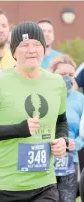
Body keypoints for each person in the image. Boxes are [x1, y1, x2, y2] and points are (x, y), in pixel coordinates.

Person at [0, 21, 68, 202]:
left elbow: (61, 121)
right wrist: (19, 129)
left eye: (37, 44)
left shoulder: (56, 83)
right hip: (5, 187)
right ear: (14, 52)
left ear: (44, 49)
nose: (32, 50)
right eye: (25, 45)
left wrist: (63, 140)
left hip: (45, 185)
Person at [49, 54, 84, 202]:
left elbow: (83, 132)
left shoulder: (80, 99)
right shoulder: (44, 96)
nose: (67, 77)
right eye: (62, 74)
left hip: (69, 162)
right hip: (45, 160)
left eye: (70, 74)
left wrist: (76, 143)